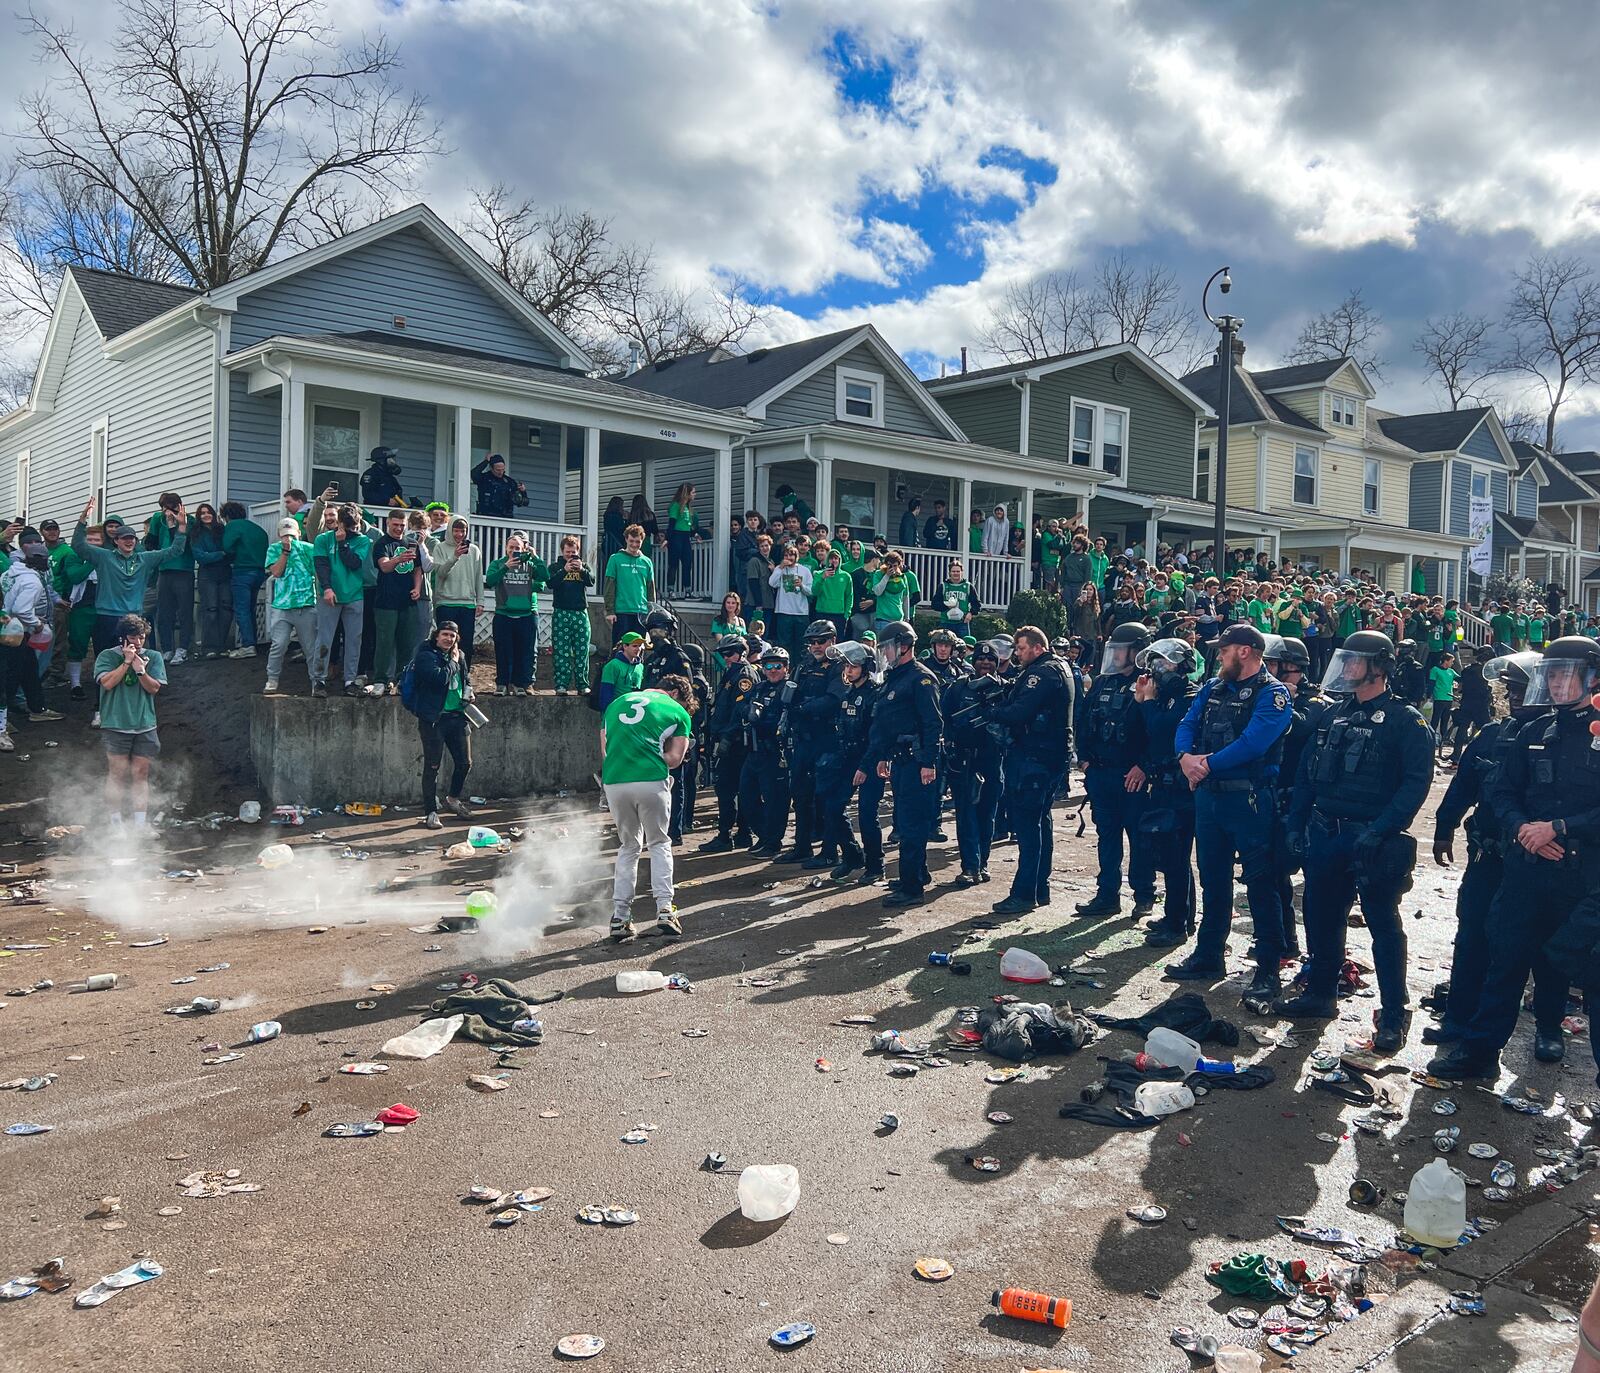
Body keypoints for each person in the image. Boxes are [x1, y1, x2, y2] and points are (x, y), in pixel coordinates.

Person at [1427, 637, 1600, 1079]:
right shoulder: (1534, 730)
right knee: (1504, 960)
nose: (1558, 684)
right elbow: (1501, 791)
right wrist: (1525, 829)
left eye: (1567, 674)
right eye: (1553, 674)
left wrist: (1560, 828)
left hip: (1583, 877)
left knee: (1571, 967)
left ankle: (1553, 1032)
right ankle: (1480, 1054)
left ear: (1593, 677)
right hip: (1526, 868)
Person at [1275, 630, 1435, 1051]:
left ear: (1378, 668)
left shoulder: (1406, 720)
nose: (1345, 668)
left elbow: (1416, 782)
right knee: (1321, 914)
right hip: (1325, 831)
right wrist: (1296, 824)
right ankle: (1321, 993)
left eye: (1353, 662)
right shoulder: (1334, 714)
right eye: (1343, 661)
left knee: (1384, 925)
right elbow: (1308, 774)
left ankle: (1393, 1014)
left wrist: (1381, 829)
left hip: (1373, 838)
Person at [1166, 624, 1294, 1004]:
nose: (1217, 656)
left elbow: (1254, 743)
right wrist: (1184, 758)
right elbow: (1187, 724)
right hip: (1210, 799)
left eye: (1223, 650)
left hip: (1250, 800)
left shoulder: (1273, 694)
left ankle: (1268, 968)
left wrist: (1204, 766)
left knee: (1260, 884)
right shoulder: (1212, 687)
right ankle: (1209, 955)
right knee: (1213, 878)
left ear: (1244, 651)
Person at [988, 626, 1074, 916]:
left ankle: (1025, 892)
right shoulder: (1057, 667)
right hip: (1047, 756)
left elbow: (1019, 711)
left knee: (1027, 827)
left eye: (1022, 648)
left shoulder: (1043, 672)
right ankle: (1039, 887)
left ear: (1038, 647)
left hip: (1035, 758)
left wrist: (992, 712)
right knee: (1040, 822)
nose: (1017, 654)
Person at [1075, 622, 1157, 918]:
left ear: (1137, 651)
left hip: (1132, 776)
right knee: (1107, 836)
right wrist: (1084, 760)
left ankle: (1144, 895)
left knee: (1139, 837)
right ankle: (1107, 895)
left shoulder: (1149, 683)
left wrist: (1144, 767)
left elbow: (1158, 732)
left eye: (1120, 649)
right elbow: (1083, 721)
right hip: (1101, 773)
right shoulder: (1102, 681)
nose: (1116, 654)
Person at [863, 621, 942, 907]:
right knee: (906, 819)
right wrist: (883, 755)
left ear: (904, 646)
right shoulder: (895, 677)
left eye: (888, 647)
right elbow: (888, 723)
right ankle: (916, 874)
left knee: (912, 824)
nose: (885, 653)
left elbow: (932, 723)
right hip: (899, 759)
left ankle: (911, 889)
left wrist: (928, 762)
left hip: (917, 760)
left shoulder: (921, 678)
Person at [1262, 635, 1329, 959]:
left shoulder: (1315, 702)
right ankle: (1284, 941)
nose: (1268, 670)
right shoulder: (1270, 696)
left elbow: (1299, 728)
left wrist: (1282, 701)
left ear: (1293, 668)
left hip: (1306, 802)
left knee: (1317, 884)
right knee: (1274, 875)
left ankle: (1321, 958)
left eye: (1274, 664)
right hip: (1275, 795)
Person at [1132, 637, 1200, 947]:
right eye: (1155, 663)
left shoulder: (1189, 697)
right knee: (1172, 857)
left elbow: (1161, 728)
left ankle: (1177, 924)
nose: (1158, 669)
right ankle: (1179, 915)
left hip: (1180, 788)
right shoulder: (1165, 697)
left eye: (1165, 663)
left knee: (1176, 857)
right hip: (1162, 784)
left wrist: (1145, 703)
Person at [94, 614, 165, 829]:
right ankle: (115, 824)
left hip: (145, 724)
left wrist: (140, 669)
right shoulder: (107, 656)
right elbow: (107, 683)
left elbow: (154, 688)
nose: (137, 642)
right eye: (133, 637)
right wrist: (126, 662)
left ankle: (140, 825)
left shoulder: (153, 657)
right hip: (116, 724)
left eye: (141, 638)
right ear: (123, 638)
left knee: (141, 774)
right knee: (117, 774)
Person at [942, 640, 1004, 885]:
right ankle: (970, 866)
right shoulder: (958, 688)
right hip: (965, 759)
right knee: (966, 814)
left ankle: (983, 864)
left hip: (992, 759)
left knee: (987, 813)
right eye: (980, 659)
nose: (985, 663)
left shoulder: (1006, 689)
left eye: (990, 660)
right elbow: (944, 717)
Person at [780, 621, 840, 867]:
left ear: (832, 641)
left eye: (821, 641)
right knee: (800, 794)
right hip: (803, 739)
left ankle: (828, 852)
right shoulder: (803, 665)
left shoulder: (839, 666)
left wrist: (804, 708)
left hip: (826, 738)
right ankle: (802, 846)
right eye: (812, 642)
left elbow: (834, 699)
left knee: (826, 797)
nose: (816, 646)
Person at [408, 621, 475, 831]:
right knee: (433, 766)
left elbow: (465, 678)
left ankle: (453, 798)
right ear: (436, 637)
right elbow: (439, 678)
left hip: (457, 716)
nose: (449, 639)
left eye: (453, 636)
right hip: (434, 719)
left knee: (465, 763)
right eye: (445, 635)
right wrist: (453, 662)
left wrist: (469, 691)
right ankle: (431, 812)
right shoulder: (425, 655)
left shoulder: (460, 656)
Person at [700, 637, 757, 852]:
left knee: (728, 789)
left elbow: (740, 711)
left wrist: (726, 737)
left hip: (735, 742)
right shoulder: (730, 673)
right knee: (731, 789)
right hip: (726, 738)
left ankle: (728, 835)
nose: (726, 658)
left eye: (731, 653)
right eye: (723, 654)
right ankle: (740, 834)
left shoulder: (744, 675)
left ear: (741, 653)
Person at [313, 504, 372, 697]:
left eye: (355, 526)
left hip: (354, 595)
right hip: (330, 596)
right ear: (338, 524)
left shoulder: (363, 540)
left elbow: (354, 563)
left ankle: (349, 680)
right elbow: (321, 565)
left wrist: (343, 544)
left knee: (354, 639)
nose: (353, 530)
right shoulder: (323, 539)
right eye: (349, 527)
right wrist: (327, 588)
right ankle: (319, 681)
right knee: (325, 638)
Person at [741, 646, 794, 856]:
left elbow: (785, 718)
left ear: (786, 668)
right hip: (754, 750)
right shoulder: (759, 687)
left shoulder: (788, 689)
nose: (772, 670)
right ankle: (763, 836)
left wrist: (764, 717)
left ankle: (773, 842)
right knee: (746, 797)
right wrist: (750, 711)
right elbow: (743, 708)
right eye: (768, 665)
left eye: (777, 666)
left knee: (776, 801)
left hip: (775, 753)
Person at [263, 518, 321, 696]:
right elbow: (276, 572)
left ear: (298, 533)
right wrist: (285, 553)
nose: (288, 538)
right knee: (278, 644)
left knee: (311, 648)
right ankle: (272, 679)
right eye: (284, 535)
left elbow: (317, 573)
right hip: (282, 606)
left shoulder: (308, 549)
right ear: (279, 536)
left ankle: (317, 682)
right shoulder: (274, 549)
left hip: (306, 604)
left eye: (291, 534)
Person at [484, 532, 547, 695]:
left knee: (524, 651)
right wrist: (506, 567)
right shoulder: (498, 563)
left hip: (526, 613)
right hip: (504, 613)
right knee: (503, 650)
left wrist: (535, 557)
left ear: (524, 548)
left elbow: (545, 577)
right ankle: (502, 683)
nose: (514, 550)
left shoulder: (530, 564)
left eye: (517, 548)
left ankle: (520, 684)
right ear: (506, 548)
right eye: (511, 547)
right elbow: (490, 581)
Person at [369, 510, 424, 694]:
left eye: (402, 525)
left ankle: (403, 680)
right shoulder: (381, 543)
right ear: (388, 523)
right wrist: (399, 558)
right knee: (384, 642)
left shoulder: (411, 543)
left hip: (408, 601)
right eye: (396, 524)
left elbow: (418, 569)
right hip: (386, 601)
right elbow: (384, 566)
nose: (399, 528)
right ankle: (380, 680)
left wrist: (417, 588)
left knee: (407, 644)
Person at [143, 492, 196, 663]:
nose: (167, 512)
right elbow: (150, 541)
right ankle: (166, 648)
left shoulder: (190, 520)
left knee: (185, 611)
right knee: (164, 612)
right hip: (164, 571)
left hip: (184, 569)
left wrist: (175, 525)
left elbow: (182, 544)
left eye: (172, 508)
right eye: (164, 508)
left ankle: (183, 648)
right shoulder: (158, 519)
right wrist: (155, 554)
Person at [430, 518, 484, 663]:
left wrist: (480, 601)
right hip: (446, 602)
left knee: (465, 645)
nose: (460, 534)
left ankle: (463, 678)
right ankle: (444, 676)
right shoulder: (440, 548)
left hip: (467, 603)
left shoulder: (474, 550)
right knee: (445, 644)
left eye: (463, 531)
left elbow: (478, 576)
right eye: (456, 531)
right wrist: (455, 556)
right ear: (450, 530)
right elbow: (440, 573)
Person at [218, 502, 268, 658]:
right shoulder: (257, 528)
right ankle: (253, 642)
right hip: (260, 572)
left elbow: (226, 547)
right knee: (251, 608)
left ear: (226, 516)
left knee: (241, 608)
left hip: (242, 571)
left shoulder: (233, 527)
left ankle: (248, 645)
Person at [547, 535, 594, 695]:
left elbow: (591, 581)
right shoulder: (554, 567)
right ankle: (561, 684)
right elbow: (550, 583)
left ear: (578, 551)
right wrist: (564, 570)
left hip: (580, 612)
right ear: (562, 551)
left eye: (573, 552)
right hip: (561, 612)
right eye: (567, 552)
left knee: (582, 651)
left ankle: (582, 684)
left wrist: (581, 569)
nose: (570, 555)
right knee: (561, 651)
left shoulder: (583, 566)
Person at [189, 503, 232, 659]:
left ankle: (222, 646)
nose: (206, 515)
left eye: (208, 512)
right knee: (211, 609)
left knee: (226, 609)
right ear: (198, 517)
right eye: (202, 513)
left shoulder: (222, 530)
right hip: (207, 575)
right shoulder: (196, 533)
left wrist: (214, 555)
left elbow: (230, 550)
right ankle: (209, 648)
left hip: (225, 573)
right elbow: (200, 556)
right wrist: (220, 554)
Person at [604, 523, 655, 644]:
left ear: (642, 541)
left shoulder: (647, 562)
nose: (634, 544)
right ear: (626, 539)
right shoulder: (615, 559)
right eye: (631, 541)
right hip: (622, 611)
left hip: (641, 613)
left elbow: (650, 589)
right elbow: (609, 587)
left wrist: (651, 613)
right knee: (620, 647)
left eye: (638, 541)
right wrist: (610, 611)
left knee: (638, 649)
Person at [767, 543, 814, 660]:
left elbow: (811, 591)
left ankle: (799, 669)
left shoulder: (805, 570)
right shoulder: (779, 569)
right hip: (784, 611)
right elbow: (772, 583)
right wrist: (780, 568)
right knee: (784, 643)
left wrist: (802, 586)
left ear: (796, 556)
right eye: (787, 555)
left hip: (801, 613)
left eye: (792, 555)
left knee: (801, 644)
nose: (789, 558)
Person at [664, 483, 703, 597]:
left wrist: (695, 534)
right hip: (676, 536)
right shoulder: (676, 506)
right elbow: (672, 524)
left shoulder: (688, 508)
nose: (694, 495)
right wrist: (667, 539)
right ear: (686, 493)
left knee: (687, 564)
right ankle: (671, 590)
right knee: (673, 564)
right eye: (693, 492)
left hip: (686, 537)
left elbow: (687, 525)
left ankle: (688, 591)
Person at [812, 550, 854, 640]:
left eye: (836, 558)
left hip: (839, 615)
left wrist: (847, 614)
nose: (833, 561)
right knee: (821, 640)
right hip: (822, 613)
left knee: (837, 642)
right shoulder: (819, 574)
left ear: (839, 560)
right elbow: (815, 592)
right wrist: (823, 578)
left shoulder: (846, 576)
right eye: (831, 558)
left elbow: (849, 596)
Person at [598, 631, 645, 711]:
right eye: (634, 646)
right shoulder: (613, 665)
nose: (638, 649)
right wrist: (607, 713)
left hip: (634, 711)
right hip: (616, 710)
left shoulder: (640, 666)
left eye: (640, 646)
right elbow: (606, 692)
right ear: (625, 646)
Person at [471, 454, 528, 518]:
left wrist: (523, 492)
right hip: (485, 517)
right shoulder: (484, 479)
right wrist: (486, 462)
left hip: (504, 519)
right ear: (491, 468)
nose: (501, 472)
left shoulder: (510, 482)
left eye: (503, 469)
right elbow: (473, 474)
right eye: (498, 470)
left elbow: (524, 502)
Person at [1428, 650, 1458, 755]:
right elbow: (1431, 683)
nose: (1452, 663)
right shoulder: (1435, 670)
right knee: (1435, 719)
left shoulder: (1451, 671)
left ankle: (1443, 740)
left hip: (1449, 698)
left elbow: (1459, 678)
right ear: (1445, 661)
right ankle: (1431, 738)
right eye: (1451, 661)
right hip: (1439, 698)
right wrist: (1428, 696)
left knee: (1445, 721)